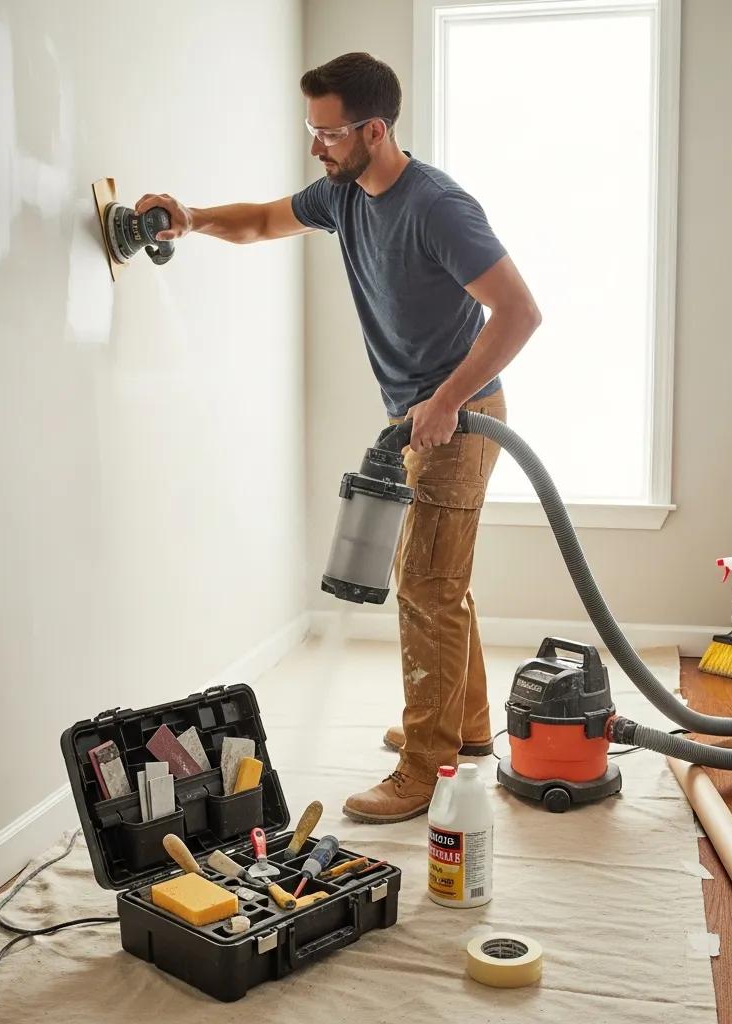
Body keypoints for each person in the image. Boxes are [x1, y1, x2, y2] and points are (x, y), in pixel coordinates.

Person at [136, 52, 541, 824]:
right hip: (418, 415)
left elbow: (519, 311)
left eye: (327, 134)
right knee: (437, 576)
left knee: (424, 585)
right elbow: (260, 221)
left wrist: (449, 399)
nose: (315, 147)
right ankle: (469, 725)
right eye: (311, 131)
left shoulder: (438, 207)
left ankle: (428, 768)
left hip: (462, 414)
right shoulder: (344, 195)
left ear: (375, 130)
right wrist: (190, 219)